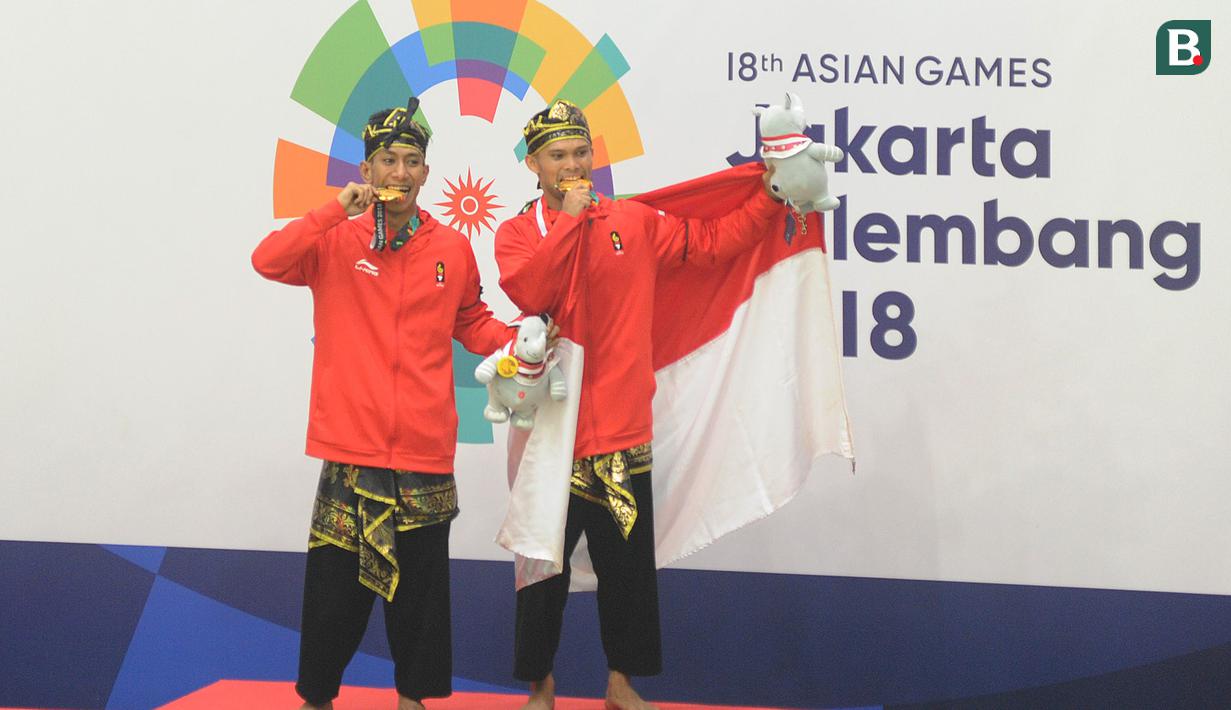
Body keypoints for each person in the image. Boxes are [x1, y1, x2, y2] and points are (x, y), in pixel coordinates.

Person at [493, 99, 785, 710]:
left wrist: (773, 194)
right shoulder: (519, 233)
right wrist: (571, 222)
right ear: (533, 165)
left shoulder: (635, 219)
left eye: (580, 153)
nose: (572, 166)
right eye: (557, 156)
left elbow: (711, 244)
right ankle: (539, 686)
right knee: (541, 569)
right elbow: (532, 290)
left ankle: (620, 684)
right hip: (549, 435)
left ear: (594, 156)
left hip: (623, 431)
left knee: (627, 570)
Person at [252, 97, 514, 710]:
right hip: (352, 449)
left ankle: (412, 701)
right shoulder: (333, 241)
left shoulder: (452, 248)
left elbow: (474, 321)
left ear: (427, 173)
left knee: (420, 599)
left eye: (412, 161)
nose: (399, 173)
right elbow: (267, 261)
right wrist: (329, 211)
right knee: (332, 599)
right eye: (387, 161)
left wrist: (526, 344)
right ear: (366, 171)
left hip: (424, 449)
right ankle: (317, 699)